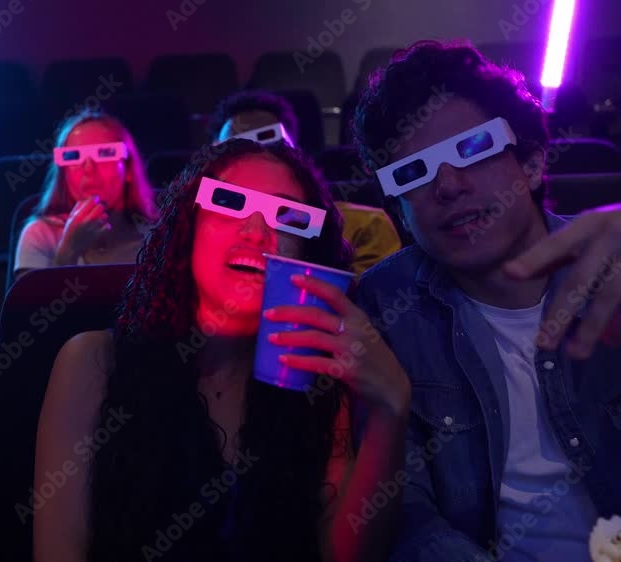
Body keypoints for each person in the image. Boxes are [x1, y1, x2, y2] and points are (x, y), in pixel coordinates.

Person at [34, 139, 412, 562]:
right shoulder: (93, 363)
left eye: (287, 216)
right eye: (230, 203)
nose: (257, 231)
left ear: (308, 253)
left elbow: (341, 556)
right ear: (188, 227)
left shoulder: (317, 376)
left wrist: (389, 412)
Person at [351, 40, 621, 562]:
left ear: (533, 163)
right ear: (399, 211)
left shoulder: (611, 268)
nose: (447, 186)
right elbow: (407, 514)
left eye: (472, 148)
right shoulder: (386, 306)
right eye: (413, 172)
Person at [210, 90, 403, 277]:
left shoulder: (364, 226)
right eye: (235, 152)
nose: (255, 164)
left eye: (271, 148)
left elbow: (356, 297)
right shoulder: (203, 225)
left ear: (296, 155)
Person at [13, 110, 160, 281]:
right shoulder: (40, 236)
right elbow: (35, 300)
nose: (89, 168)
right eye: (73, 156)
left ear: (127, 169)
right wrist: (70, 250)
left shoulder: (156, 235)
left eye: (104, 153)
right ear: (64, 175)